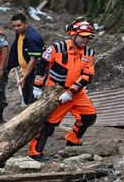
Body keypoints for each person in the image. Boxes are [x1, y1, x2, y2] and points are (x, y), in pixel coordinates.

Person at [28, 17, 97, 161]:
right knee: (48, 124)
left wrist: (71, 92)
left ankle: (73, 140)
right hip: (56, 91)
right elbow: (42, 66)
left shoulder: (89, 53)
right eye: (82, 37)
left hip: (76, 93)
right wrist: (38, 86)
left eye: (88, 38)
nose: (85, 41)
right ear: (73, 35)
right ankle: (35, 152)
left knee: (89, 116)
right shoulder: (56, 48)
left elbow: (87, 75)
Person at [7, 13, 44, 105]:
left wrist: (24, 78)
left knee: (33, 100)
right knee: (26, 97)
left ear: (26, 24)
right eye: (14, 26)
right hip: (26, 72)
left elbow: (33, 60)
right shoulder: (19, 34)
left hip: (34, 74)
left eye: (19, 25)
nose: (16, 28)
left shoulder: (32, 38)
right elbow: (16, 48)